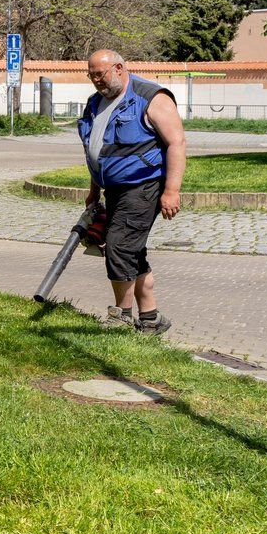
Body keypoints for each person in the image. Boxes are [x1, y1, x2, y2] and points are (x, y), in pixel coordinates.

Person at [78, 49, 186, 335]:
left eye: (99, 74)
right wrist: (94, 190)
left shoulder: (151, 98)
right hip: (113, 189)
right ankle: (151, 319)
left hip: (144, 186)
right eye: (91, 76)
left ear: (119, 69)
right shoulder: (95, 104)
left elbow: (177, 143)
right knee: (131, 251)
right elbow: (97, 151)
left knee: (119, 245)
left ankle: (121, 316)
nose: (96, 81)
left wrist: (172, 191)